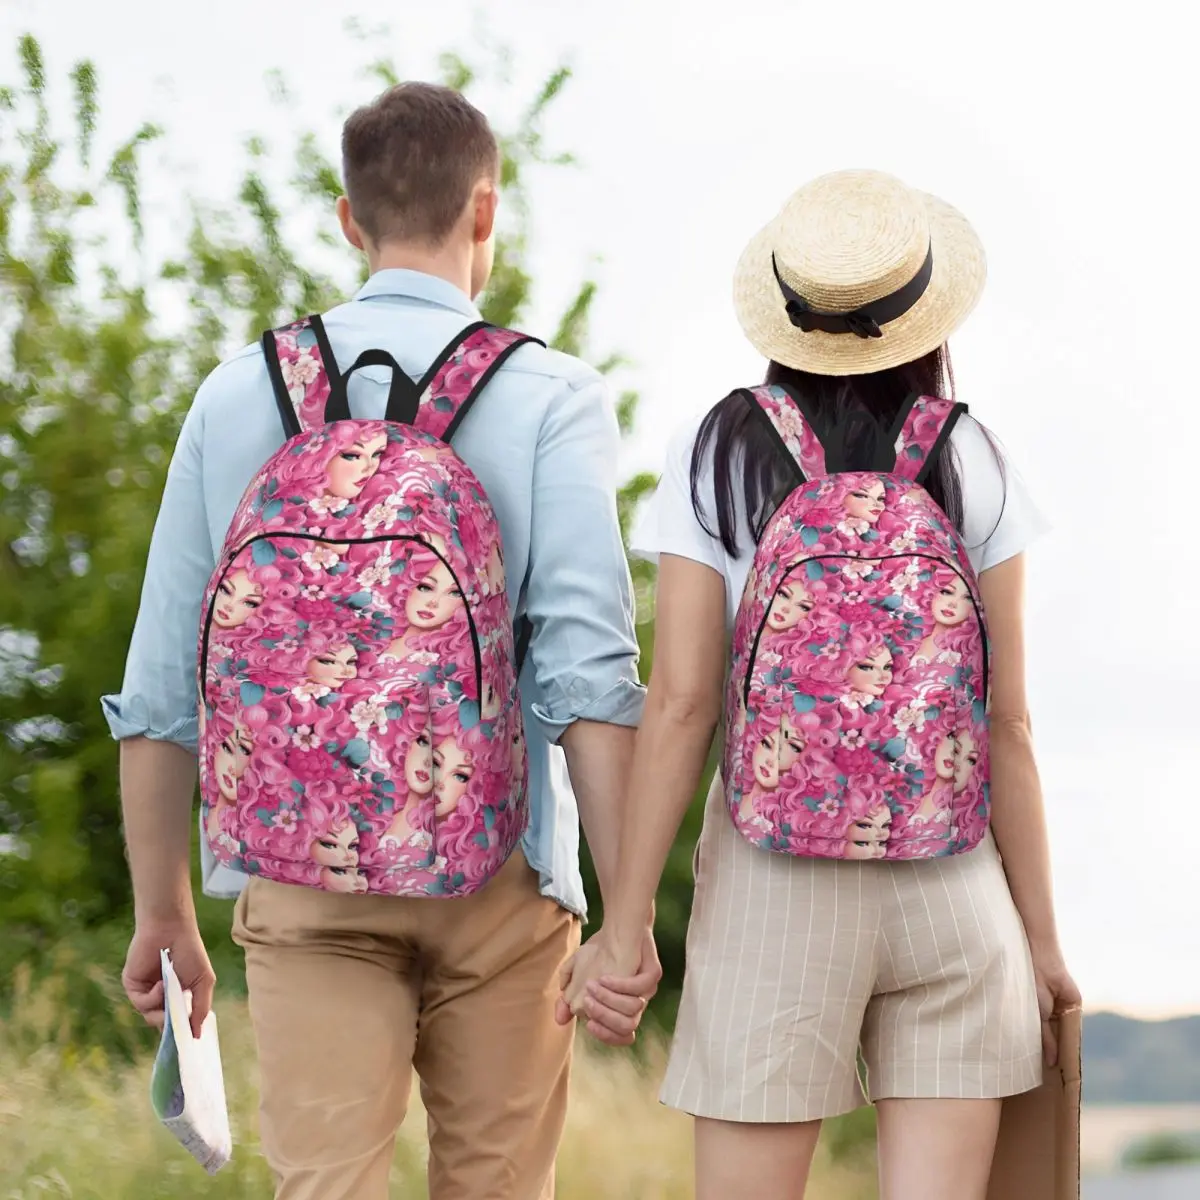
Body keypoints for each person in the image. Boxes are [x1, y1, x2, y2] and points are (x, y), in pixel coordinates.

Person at [105, 81, 661, 1200]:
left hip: (301, 878)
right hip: (501, 874)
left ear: (349, 220)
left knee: (325, 1186)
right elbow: (589, 678)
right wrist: (628, 915)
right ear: (486, 213)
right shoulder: (551, 394)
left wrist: (163, 909)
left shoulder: (236, 394)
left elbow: (163, 683)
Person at [560, 169, 1080, 1200]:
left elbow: (682, 705)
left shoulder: (717, 450)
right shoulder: (973, 455)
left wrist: (624, 927)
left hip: (772, 885)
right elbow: (1009, 723)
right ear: (925, 315)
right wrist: (1043, 943)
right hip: (954, 886)